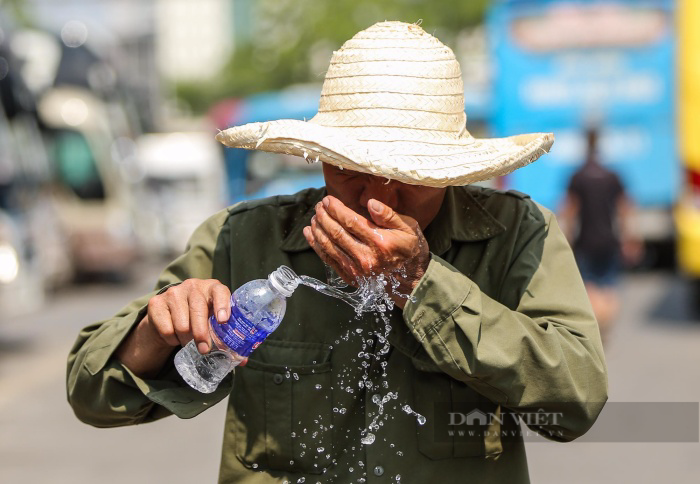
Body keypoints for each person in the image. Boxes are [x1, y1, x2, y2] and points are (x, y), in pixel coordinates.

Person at [67, 22, 607, 483]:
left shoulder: (515, 234)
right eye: (349, 169)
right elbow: (90, 394)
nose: (376, 199)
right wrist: (157, 331)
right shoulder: (243, 240)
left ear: (448, 171)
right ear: (321, 158)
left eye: (405, 176)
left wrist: (423, 287)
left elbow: (576, 402)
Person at [560, 128, 642, 342]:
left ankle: (598, 327)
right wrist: (629, 236)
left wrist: (566, 239)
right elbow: (625, 208)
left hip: (585, 240)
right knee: (610, 287)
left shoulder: (577, 176)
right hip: (609, 240)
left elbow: (569, 210)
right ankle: (605, 326)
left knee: (590, 287)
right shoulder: (611, 175)